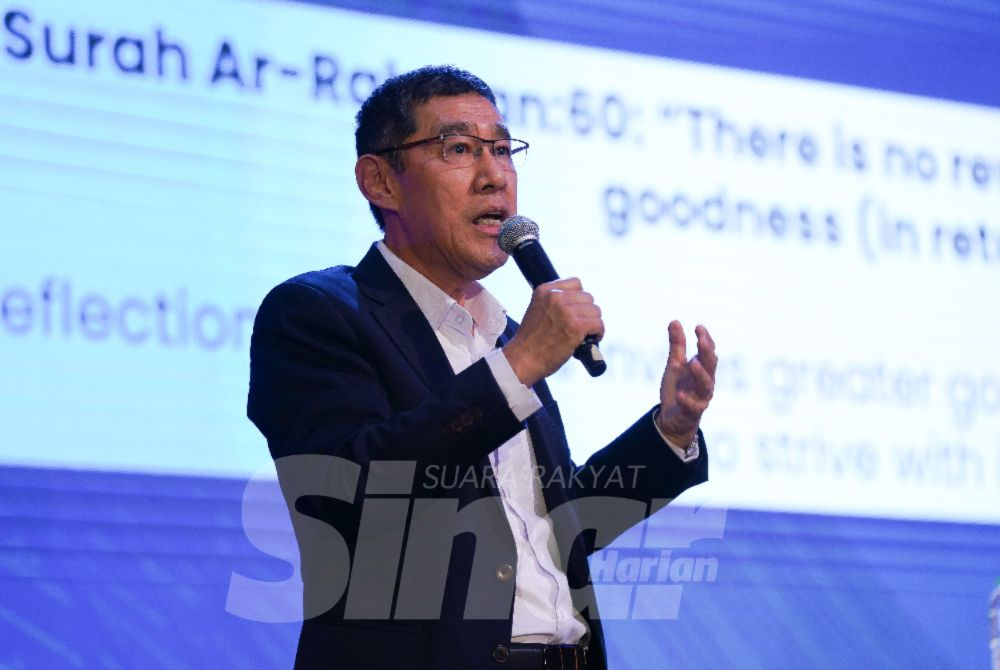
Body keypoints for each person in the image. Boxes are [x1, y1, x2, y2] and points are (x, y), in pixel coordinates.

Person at [247, 65, 717, 670]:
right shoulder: (318, 313)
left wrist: (668, 434)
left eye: (502, 149)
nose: (495, 175)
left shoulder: (505, 335)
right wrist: (518, 366)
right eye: (460, 149)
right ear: (380, 181)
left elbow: (556, 528)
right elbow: (350, 496)